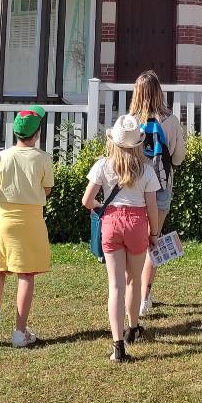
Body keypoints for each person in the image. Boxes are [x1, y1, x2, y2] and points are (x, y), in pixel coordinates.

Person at [82, 114, 163, 362]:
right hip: (138, 222)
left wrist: (104, 209)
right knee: (133, 280)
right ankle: (134, 326)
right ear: (138, 144)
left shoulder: (102, 166)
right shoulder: (147, 170)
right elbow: (152, 207)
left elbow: (87, 201)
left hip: (111, 223)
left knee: (114, 286)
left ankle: (118, 346)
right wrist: (154, 233)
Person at [0, 105, 55, 348]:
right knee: (26, 274)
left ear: (15, 133)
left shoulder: (3, 156)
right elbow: (46, 189)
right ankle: (19, 332)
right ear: (37, 135)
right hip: (32, 221)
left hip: (4, 221)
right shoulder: (43, 158)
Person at [129, 70, 186, 317]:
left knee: (132, 244)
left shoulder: (129, 120)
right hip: (161, 187)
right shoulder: (171, 120)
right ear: (159, 92)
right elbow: (179, 158)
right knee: (153, 239)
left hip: (132, 189)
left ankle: (129, 292)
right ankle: (144, 298)